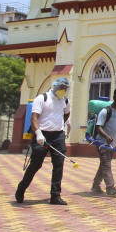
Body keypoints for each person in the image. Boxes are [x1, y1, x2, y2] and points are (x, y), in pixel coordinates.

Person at [16, 77, 71, 205]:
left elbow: (66, 113)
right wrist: (38, 133)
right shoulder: (42, 98)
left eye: (65, 88)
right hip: (42, 135)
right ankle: (21, 188)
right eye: (62, 87)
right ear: (55, 86)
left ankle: (55, 196)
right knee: (36, 165)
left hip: (58, 135)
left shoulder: (65, 101)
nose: (63, 90)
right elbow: (34, 118)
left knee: (58, 165)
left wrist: (65, 123)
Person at [91, 87, 116, 197]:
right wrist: (106, 136)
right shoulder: (105, 111)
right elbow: (98, 127)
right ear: (114, 97)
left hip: (113, 144)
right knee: (106, 165)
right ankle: (110, 188)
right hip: (103, 143)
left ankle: (95, 186)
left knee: (103, 165)